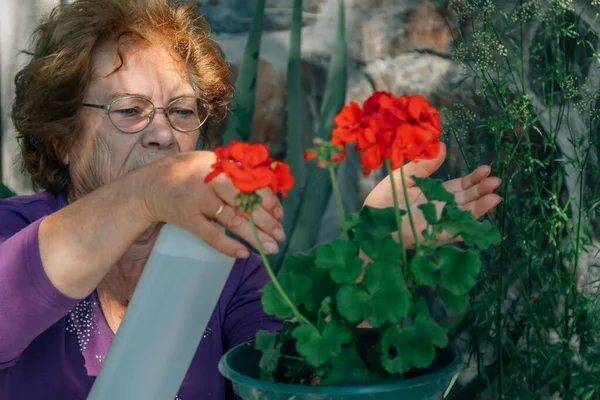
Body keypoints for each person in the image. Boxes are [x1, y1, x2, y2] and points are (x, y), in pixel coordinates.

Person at [0, 0, 502, 399]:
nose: (162, 133)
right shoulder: (12, 231)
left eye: (180, 111)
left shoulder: (225, 257)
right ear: (62, 139)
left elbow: (290, 383)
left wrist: (373, 247)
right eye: (130, 110)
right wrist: (146, 195)